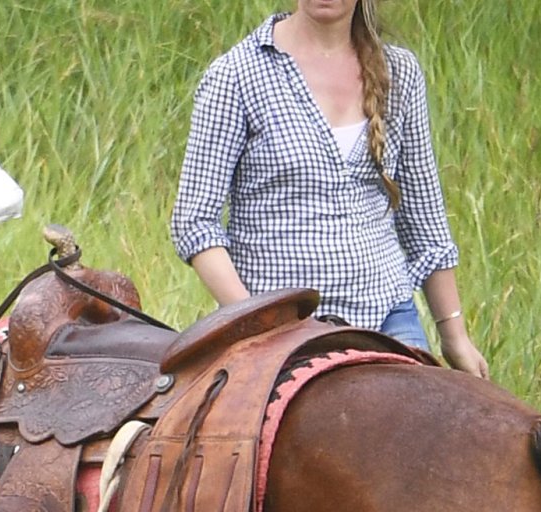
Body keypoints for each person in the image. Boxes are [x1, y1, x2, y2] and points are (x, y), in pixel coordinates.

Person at [171, 2, 490, 376]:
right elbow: (194, 222)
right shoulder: (236, 76)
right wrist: (254, 321)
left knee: (432, 412)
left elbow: (425, 222)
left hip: (387, 317)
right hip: (279, 325)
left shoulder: (399, 72)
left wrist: (454, 337)